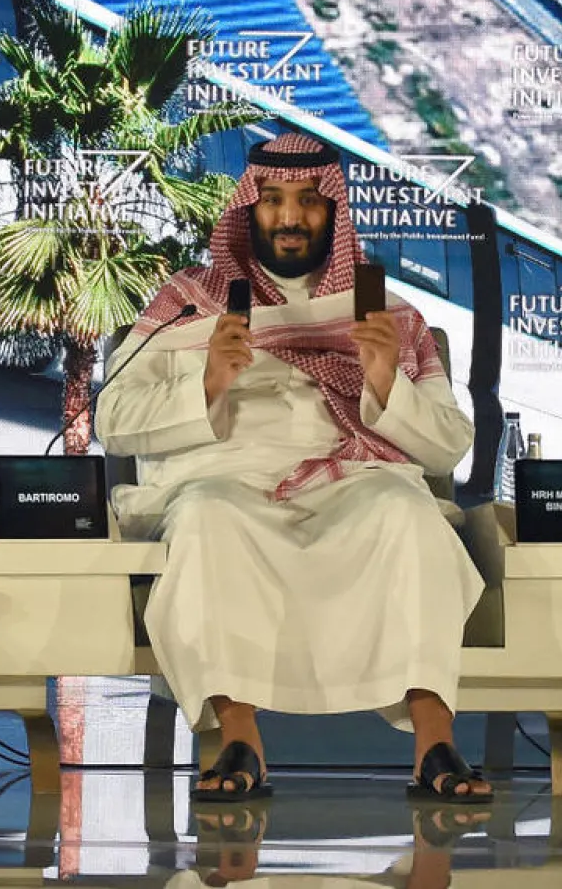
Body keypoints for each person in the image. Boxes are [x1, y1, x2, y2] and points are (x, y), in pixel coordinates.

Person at [96, 132, 490, 804]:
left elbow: (449, 446)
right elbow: (114, 417)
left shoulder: (388, 315)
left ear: (333, 213)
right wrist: (210, 383)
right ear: (249, 208)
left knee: (410, 515)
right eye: (274, 200)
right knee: (210, 518)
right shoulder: (189, 301)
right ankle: (240, 738)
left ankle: (435, 742)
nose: (289, 217)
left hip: (356, 481)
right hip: (226, 481)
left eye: (308, 201)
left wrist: (386, 382)